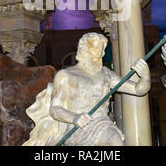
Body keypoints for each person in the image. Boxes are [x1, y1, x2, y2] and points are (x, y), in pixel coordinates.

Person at [23, 32, 151, 146]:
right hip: (77, 128)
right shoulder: (66, 75)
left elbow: (138, 90)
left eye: (102, 50)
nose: (101, 54)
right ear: (84, 51)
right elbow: (55, 109)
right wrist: (74, 117)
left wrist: (145, 77)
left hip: (102, 124)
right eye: (96, 51)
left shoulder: (106, 74)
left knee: (115, 140)